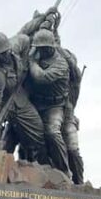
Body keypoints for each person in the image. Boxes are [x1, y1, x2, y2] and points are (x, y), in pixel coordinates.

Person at [0, 32, 44, 160]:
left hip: (20, 96)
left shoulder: (17, 44)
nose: (3, 56)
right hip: (4, 102)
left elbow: (25, 38)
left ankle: (37, 162)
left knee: (38, 130)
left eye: (4, 52)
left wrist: (26, 61)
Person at [26, 29, 71, 175]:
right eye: (39, 48)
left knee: (52, 133)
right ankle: (37, 167)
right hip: (36, 103)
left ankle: (64, 171)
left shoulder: (61, 64)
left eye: (44, 48)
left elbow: (41, 77)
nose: (42, 51)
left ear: (51, 47)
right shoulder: (37, 54)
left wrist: (32, 61)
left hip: (54, 106)